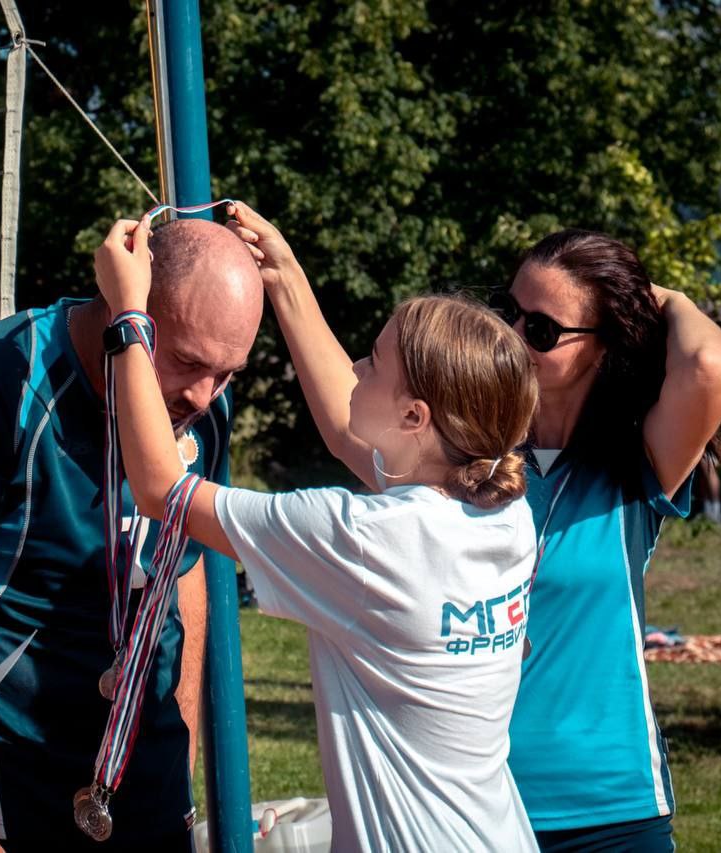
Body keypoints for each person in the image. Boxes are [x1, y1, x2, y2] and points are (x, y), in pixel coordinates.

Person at [95, 206, 543, 852]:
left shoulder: (362, 538)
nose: (356, 367)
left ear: (415, 417)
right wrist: (285, 276)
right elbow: (344, 423)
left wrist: (129, 315)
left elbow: (161, 488)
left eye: (375, 361)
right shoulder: (501, 507)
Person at [0, 216, 263, 851]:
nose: (205, 395)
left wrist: (181, 757)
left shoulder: (203, 410)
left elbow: (184, 574)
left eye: (227, 372)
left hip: (145, 782)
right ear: (128, 308)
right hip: (11, 790)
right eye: (184, 361)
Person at [493, 230, 721, 851]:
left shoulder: (636, 461)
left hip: (615, 811)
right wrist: (282, 275)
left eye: (542, 330)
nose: (514, 336)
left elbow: (708, 369)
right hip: (478, 804)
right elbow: (348, 411)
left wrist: (664, 298)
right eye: (508, 311)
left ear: (602, 348)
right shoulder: (472, 453)